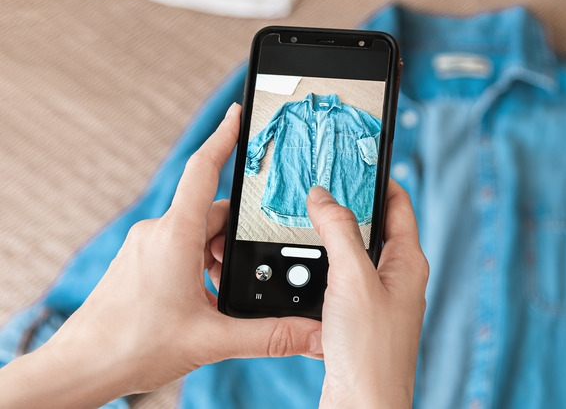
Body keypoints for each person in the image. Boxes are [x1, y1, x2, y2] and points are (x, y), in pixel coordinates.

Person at [0, 103, 429, 409]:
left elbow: (371, 143)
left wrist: (77, 365)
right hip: (280, 207)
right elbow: (254, 144)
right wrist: (373, 394)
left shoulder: (353, 114)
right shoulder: (289, 108)